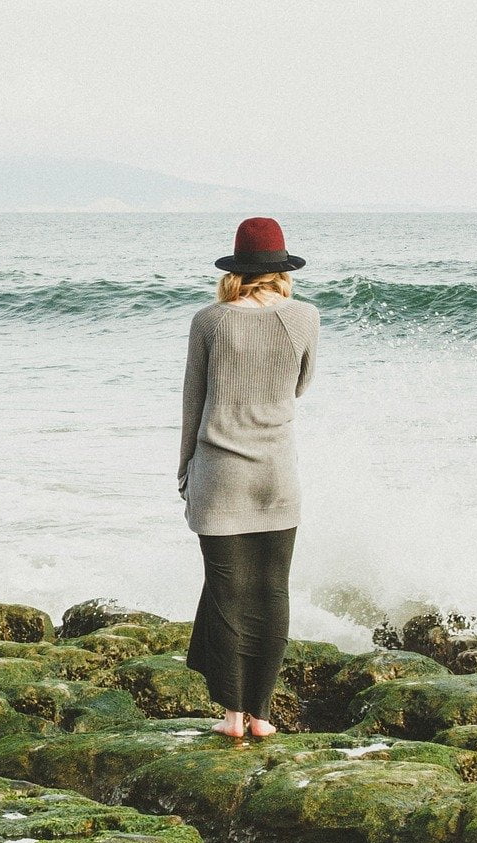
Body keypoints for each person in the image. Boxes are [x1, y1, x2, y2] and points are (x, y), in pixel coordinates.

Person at [178, 216, 320, 739]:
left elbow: (193, 402)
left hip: (220, 474)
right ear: (282, 269)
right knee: (272, 592)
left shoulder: (209, 321)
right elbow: (301, 385)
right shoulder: (305, 317)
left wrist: (184, 471)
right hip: (278, 472)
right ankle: (262, 716)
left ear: (236, 268)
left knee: (226, 593)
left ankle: (232, 717)